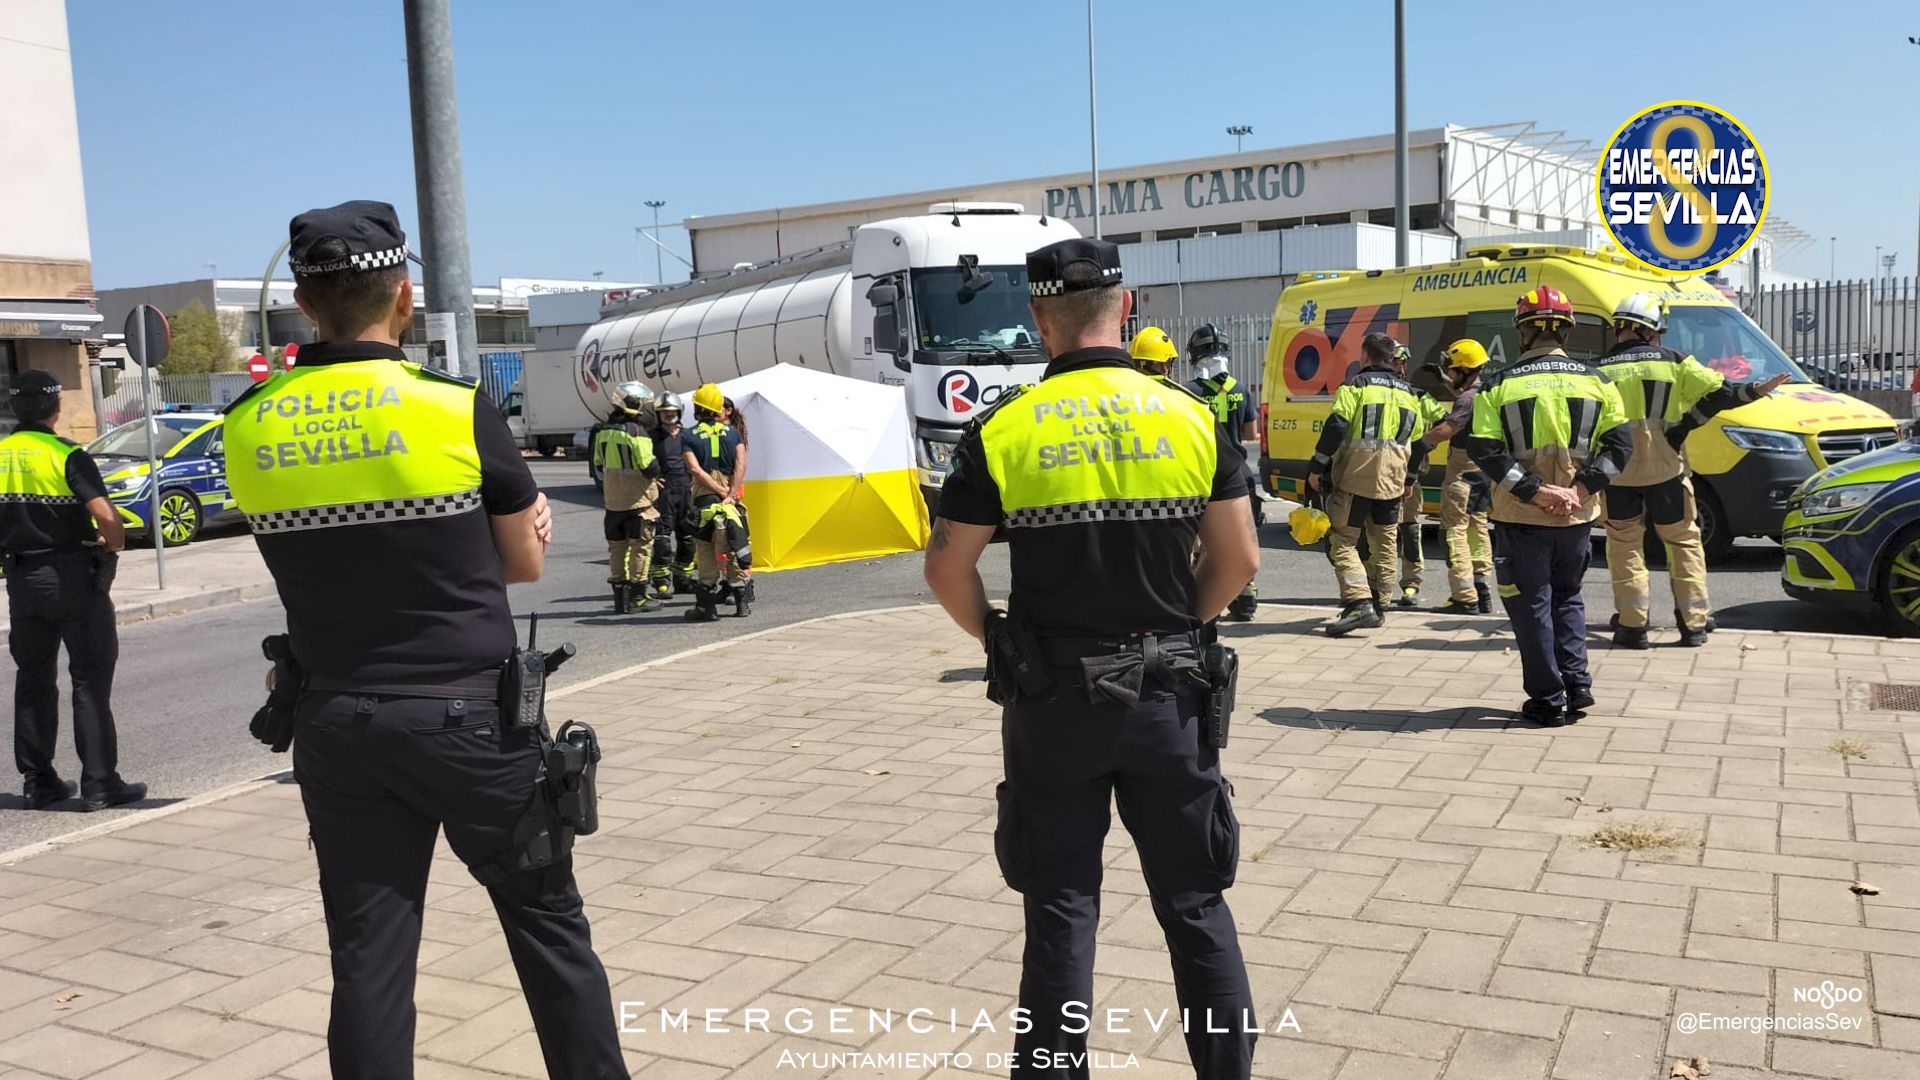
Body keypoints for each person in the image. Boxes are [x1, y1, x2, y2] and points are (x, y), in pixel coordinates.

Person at [221, 201, 629, 1079]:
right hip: (470, 724)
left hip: (333, 724)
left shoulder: (249, 420)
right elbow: (520, 563)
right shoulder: (451, 407)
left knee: (367, 959)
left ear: (301, 301)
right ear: (404, 298)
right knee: (549, 929)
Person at [926, 237, 1260, 1079]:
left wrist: (1001, 641)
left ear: (1040, 320)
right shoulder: (1191, 415)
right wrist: (1180, 624)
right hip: (1170, 699)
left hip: (1055, 705)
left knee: (1062, 909)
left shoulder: (1002, 431)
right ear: (1128, 308)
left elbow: (945, 567)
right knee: (1193, 903)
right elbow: (1242, 562)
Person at [1459, 286, 1632, 726]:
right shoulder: (1598, 381)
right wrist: (1580, 490)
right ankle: (1577, 685)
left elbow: (1486, 450)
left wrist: (1535, 491)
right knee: (1568, 598)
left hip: (1521, 516)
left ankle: (1547, 699)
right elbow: (1619, 447)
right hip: (1577, 516)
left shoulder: (1498, 385)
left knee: (1531, 604)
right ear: (1568, 332)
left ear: (1523, 333)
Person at [1596, 293, 1788, 647]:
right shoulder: (1676, 362)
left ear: (1619, 329)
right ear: (1654, 331)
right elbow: (1721, 392)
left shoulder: (1597, 370)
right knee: (1684, 542)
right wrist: (1689, 424)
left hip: (1616, 474)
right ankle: (1694, 623)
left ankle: (1632, 625)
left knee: (1624, 547)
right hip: (1667, 470)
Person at [1, 371, 143, 812]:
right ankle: (100, 783)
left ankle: (38, 782)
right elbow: (106, 515)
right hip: (74, 579)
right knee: (89, 681)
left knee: (33, 679)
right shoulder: (66, 454)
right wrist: (113, 542)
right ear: (55, 408)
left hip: (22, 581)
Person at [1306, 332, 1446, 636]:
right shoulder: (1411, 394)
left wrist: (1317, 465)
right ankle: (1380, 604)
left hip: (1357, 477)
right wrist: (1410, 478)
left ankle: (1359, 602)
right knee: (1384, 542)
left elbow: (1337, 425)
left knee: (1342, 540)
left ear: (1365, 357)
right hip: (1394, 481)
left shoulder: (1355, 386)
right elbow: (1418, 441)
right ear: (1391, 358)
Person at [1413, 339, 1496, 614]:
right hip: (1483, 474)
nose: (1450, 374)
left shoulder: (1467, 399)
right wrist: (1443, 379)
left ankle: (1463, 596)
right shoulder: (1488, 392)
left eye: (1453, 369)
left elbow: (1449, 428)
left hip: (1462, 474)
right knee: (1477, 529)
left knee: (1453, 532)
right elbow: (1465, 397)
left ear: (1465, 369)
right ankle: (1482, 590)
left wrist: (1420, 443)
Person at [1187, 323, 1261, 621]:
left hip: (1202, 473)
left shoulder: (1189, 392)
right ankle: (1245, 598)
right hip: (1237, 472)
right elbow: (1251, 433)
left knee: (1203, 542)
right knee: (1238, 539)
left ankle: (1207, 605)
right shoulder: (1240, 390)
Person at [591, 383, 663, 614]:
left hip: (613, 503)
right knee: (640, 548)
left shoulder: (602, 431)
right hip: (638, 502)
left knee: (617, 549)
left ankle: (620, 598)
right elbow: (649, 466)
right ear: (636, 405)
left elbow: (599, 463)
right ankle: (638, 597)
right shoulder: (637, 432)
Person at [683, 382, 752, 621]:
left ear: (698, 407)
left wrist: (718, 490)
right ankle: (742, 605)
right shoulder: (733, 433)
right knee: (734, 546)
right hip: (731, 503)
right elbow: (741, 464)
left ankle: (706, 608)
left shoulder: (689, 435)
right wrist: (731, 494)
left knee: (706, 551)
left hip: (705, 499)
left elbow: (695, 469)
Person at [649, 397, 697, 597]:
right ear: (658, 414)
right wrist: (652, 479)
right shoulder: (652, 437)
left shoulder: (689, 436)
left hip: (686, 490)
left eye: (672, 411)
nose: (669, 415)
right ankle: (661, 581)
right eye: (664, 411)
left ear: (679, 412)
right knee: (662, 539)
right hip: (664, 493)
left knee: (687, 539)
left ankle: (682, 579)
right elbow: (642, 461)